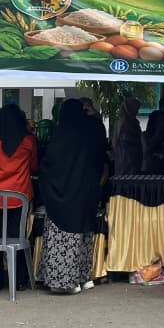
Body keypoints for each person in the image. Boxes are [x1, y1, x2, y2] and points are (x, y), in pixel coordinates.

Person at [38, 99, 105, 294]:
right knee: (84, 236)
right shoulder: (92, 131)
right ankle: (83, 277)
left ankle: (64, 282)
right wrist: (93, 113)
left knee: (63, 239)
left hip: (62, 197)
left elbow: (48, 164)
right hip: (86, 194)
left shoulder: (61, 135)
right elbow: (101, 149)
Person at [0, 104, 37, 292]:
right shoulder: (28, 141)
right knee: (18, 238)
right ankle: (19, 280)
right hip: (20, 198)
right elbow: (34, 166)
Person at [112, 97, 144, 176]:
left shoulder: (119, 122)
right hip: (130, 160)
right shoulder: (130, 124)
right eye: (136, 109)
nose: (138, 112)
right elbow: (132, 140)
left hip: (122, 160)